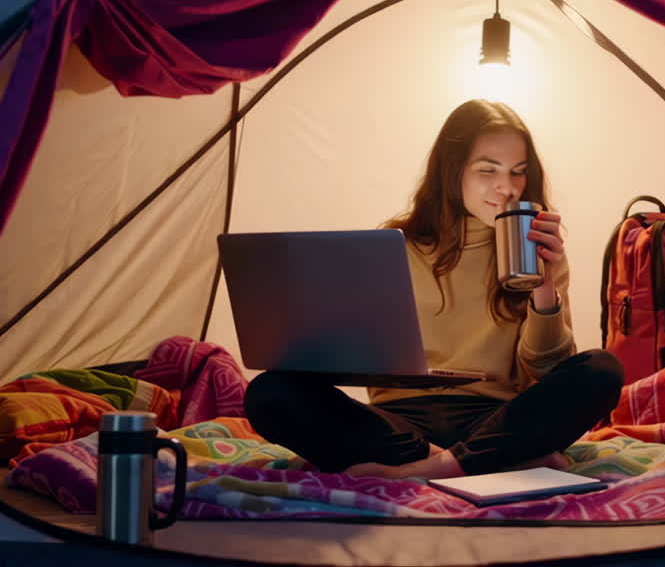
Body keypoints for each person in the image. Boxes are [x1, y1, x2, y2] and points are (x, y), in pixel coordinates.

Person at [244, 99, 624, 479]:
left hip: (494, 418)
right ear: (452, 170)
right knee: (270, 392)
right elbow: (365, 360)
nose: (507, 187)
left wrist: (544, 284)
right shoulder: (396, 245)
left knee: (600, 370)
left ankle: (427, 469)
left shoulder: (538, 247)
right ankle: (490, 461)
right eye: (487, 170)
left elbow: (550, 371)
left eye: (518, 172)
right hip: (401, 422)